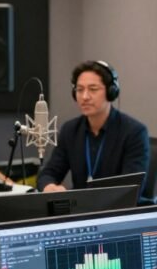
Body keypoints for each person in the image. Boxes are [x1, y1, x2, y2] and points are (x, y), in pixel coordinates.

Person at [37, 60, 149, 192]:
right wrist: (49, 186)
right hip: (80, 208)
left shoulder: (134, 132)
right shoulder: (70, 130)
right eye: (79, 90)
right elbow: (48, 173)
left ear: (111, 91)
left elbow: (130, 189)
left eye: (93, 89)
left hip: (117, 209)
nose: (85, 97)